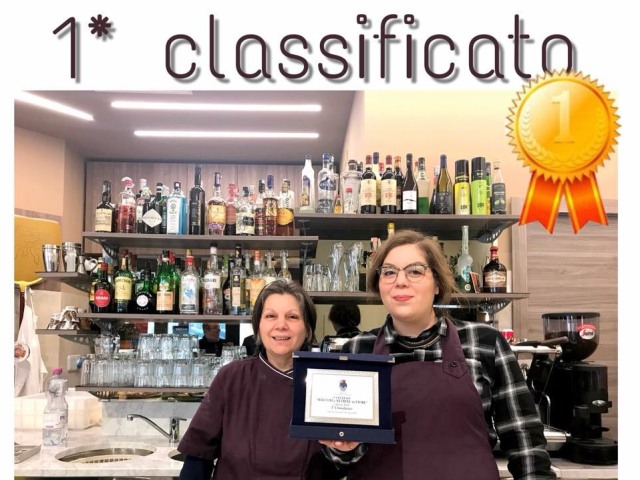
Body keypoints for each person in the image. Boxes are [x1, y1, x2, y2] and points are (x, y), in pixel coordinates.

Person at [320, 229, 556, 480]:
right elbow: (339, 461)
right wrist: (341, 448)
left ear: (437, 283)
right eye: (389, 272)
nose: (400, 281)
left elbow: (525, 443)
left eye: (415, 271)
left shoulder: (484, 343)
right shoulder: (357, 351)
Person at [178, 279, 344, 480]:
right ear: (258, 326)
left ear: (308, 328)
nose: (281, 325)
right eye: (270, 316)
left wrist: (345, 449)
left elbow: (345, 461)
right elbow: (198, 456)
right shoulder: (231, 377)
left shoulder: (329, 381)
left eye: (292, 317)